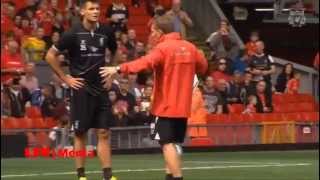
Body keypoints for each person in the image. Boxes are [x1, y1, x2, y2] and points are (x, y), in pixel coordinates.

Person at [100, 14, 208, 180]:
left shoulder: (162, 49)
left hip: (165, 106)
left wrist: (118, 68)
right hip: (183, 106)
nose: (151, 35)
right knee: (174, 144)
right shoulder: (191, 47)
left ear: (159, 31)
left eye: (152, 31)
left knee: (166, 144)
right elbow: (202, 66)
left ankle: (177, 177)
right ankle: (169, 176)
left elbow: (144, 63)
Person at [45, 1, 118, 180]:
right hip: (81, 88)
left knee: (103, 132)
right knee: (80, 133)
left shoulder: (107, 31)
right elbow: (49, 55)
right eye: (91, 9)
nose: (95, 12)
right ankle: (81, 176)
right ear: (83, 11)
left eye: (97, 9)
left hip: (101, 87)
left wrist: (112, 74)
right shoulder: (72, 33)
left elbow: (115, 52)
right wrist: (65, 78)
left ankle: (108, 176)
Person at [249, 41, 276, 108]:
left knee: (268, 101)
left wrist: (266, 72)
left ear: (263, 47)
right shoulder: (251, 57)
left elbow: (274, 69)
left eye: (259, 46)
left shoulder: (269, 57)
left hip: (266, 81)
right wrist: (254, 71)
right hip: (255, 81)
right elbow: (248, 69)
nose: (257, 47)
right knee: (254, 100)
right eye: (256, 46)